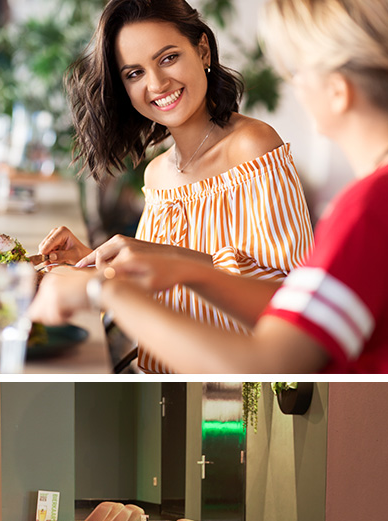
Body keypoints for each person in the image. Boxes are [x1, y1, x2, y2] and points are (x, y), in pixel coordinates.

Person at [28, 0, 388, 373]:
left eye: (295, 72)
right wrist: (107, 271)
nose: (294, 90)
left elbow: (274, 359)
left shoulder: (370, 211)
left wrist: (103, 291)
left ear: (337, 90)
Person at [34, 0, 313, 373]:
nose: (156, 84)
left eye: (167, 58)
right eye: (134, 73)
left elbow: (295, 307)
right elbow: (161, 289)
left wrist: (169, 261)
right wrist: (90, 261)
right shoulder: (157, 174)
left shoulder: (252, 147)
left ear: (202, 50)